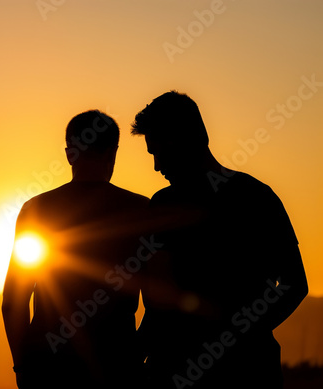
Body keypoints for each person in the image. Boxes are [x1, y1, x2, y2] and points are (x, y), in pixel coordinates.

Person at [132, 91, 308, 389]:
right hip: (197, 370)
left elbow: (294, 283)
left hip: (242, 373)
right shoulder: (256, 195)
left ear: (178, 141)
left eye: (156, 152)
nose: (156, 167)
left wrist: (239, 336)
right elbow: (157, 302)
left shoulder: (255, 198)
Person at [2, 110, 150, 389]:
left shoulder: (36, 210)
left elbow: (14, 300)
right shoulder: (141, 210)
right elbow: (159, 301)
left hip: (49, 368)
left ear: (70, 153)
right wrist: (134, 357)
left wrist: (22, 366)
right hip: (117, 366)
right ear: (113, 152)